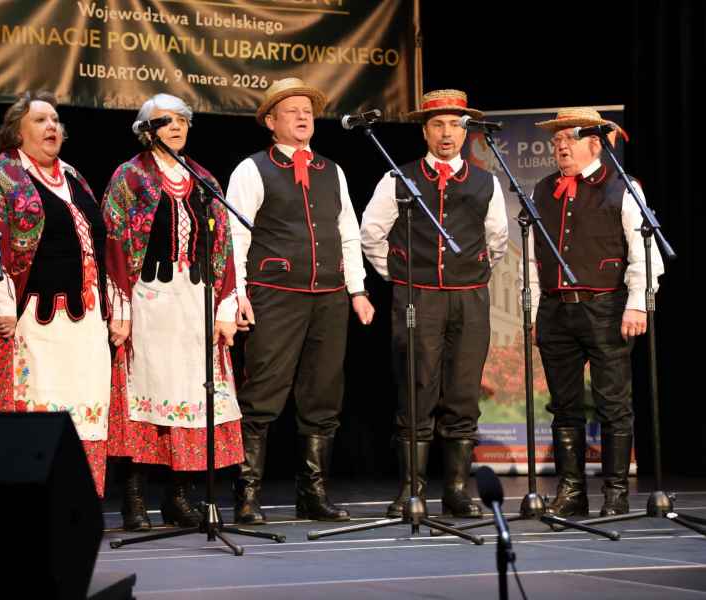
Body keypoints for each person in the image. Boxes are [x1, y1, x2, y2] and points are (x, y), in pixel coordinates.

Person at [226, 78, 375, 524]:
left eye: (307, 110)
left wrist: (357, 289)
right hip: (275, 296)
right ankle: (247, 493)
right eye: (291, 110)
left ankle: (313, 492)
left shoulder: (332, 170)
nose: (303, 116)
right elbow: (235, 237)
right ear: (271, 121)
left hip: (328, 297)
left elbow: (347, 232)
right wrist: (237, 294)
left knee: (323, 395)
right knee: (263, 393)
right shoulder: (252, 169)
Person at [361, 89, 508, 519]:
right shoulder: (398, 178)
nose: (447, 133)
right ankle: (413, 490)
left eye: (455, 125)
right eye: (438, 125)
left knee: (463, 392)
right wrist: (399, 274)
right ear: (425, 131)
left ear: (466, 132)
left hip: (469, 298)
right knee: (416, 389)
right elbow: (372, 233)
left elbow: (497, 239)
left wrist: (472, 271)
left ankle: (457, 490)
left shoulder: (486, 181)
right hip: (418, 297)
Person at [102, 94, 243, 531]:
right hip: (149, 301)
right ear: (147, 131)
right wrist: (119, 308)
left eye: (182, 119)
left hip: (195, 302)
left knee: (193, 397)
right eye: (166, 121)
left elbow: (223, 247)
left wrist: (225, 305)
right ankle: (134, 498)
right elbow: (114, 244)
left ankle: (179, 496)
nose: (177, 126)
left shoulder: (203, 179)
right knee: (146, 395)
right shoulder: (130, 177)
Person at [0, 91, 111, 496]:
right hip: (34, 321)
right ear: (17, 131)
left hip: (86, 322)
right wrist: (0, 302)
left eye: (56, 121)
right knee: (41, 405)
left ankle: (79, 499)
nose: (52, 127)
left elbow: (101, 243)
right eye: (41, 120)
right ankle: (34, 499)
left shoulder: (73, 176)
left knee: (86, 408)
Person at [529, 107, 663, 517]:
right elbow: (534, 258)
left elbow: (644, 252)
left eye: (568, 138)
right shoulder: (542, 189)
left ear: (594, 143)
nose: (561, 146)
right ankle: (572, 491)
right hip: (556, 310)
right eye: (557, 140)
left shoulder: (622, 187)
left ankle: (615, 492)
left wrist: (637, 303)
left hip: (606, 308)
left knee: (613, 404)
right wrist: (533, 312)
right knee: (564, 406)